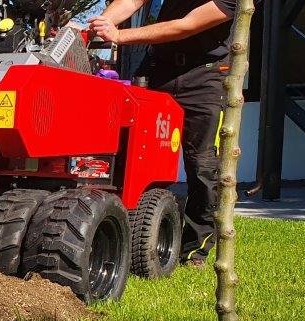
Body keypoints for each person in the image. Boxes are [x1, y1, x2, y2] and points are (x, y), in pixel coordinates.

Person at [87, 0, 256, 265]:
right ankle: (127, 233)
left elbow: (186, 25)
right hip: (158, 68)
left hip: (206, 77)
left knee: (202, 165)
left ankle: (195, 249)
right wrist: (102, 24)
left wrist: (119, 35)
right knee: (131, 152)